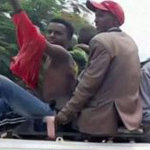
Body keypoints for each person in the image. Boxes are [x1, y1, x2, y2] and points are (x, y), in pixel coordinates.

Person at [49, 0, 143, 136]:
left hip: (101, 118)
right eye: (96, 16)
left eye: (101, 16)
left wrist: (64, 115)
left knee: (47, 120)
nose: (95, 20)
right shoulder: (130, 42)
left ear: (115, 21)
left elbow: (88, 84)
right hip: (129, 117)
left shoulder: (101, 40)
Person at [0, 0, 77, 129]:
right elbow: (28, 44)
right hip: (42, 111)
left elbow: (34, 40)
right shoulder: (46, 60)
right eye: (49, 32)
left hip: (54, 116)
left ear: (69, 40)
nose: (51, 36)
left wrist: (15, 5)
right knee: (4, 100)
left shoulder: (63, 55)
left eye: (58, 33)